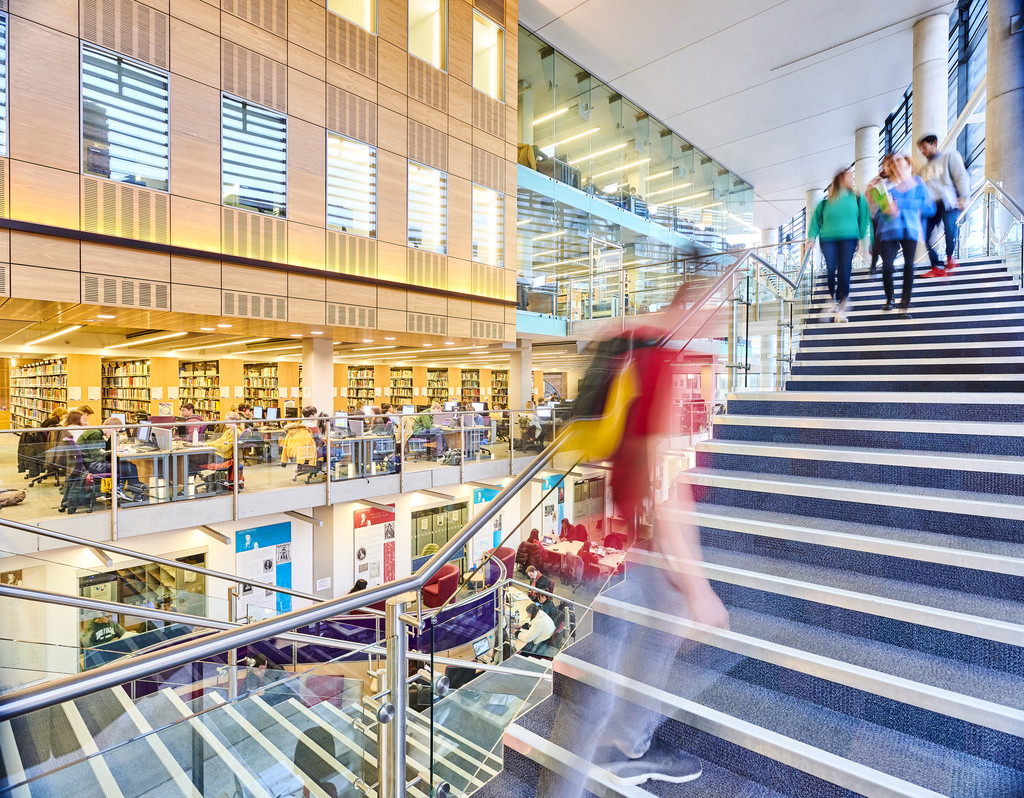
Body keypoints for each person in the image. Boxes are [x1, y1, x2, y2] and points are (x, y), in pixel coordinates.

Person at [540, 285, 729, 794]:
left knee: (651, 630)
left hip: (626, 529)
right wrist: (699, 587)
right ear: (692, 303)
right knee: (599, 682)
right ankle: (620, 748)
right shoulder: (658, 360)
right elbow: (667, 488)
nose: (725, 316)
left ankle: (630, 740)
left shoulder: (634, 341)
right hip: (630, 538)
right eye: (718, 304)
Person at [869, 153, 935, 319]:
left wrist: (903, 204)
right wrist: (885, 209)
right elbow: (876, 214)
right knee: (887, 267)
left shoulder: (918, 183)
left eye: (900, 161)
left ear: (908, 164)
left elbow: (929, 207)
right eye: (894, 162)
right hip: (888, 229)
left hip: (910, 228)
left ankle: (904, 306)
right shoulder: (884, 186)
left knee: (909, 267)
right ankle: (890, 298)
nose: (897, 163)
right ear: (890, 167)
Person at [807, 167, 870, 323]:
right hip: (828, 239)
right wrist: (811, 238)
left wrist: (865, 240)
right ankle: (832, 300)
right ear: (840, 178)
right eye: (850, 176)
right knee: (830, 269)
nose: (852, 178)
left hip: (849, 238)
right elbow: (815, 221)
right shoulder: (825, 203)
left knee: (844, 270)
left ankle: (842, 306)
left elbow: (864, 219)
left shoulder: (857, 198)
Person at [917, 133, 970, 277]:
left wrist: (963, 196)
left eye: (924, 147)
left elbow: (961, 175)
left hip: (948, 201)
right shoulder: (922, 170)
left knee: (950, 230)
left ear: (934, 143)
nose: (922, 152)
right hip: (930, 205)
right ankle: (936, 265)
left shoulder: (949, 157)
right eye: (920, 149)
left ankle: (949, 257)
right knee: (925, 234)